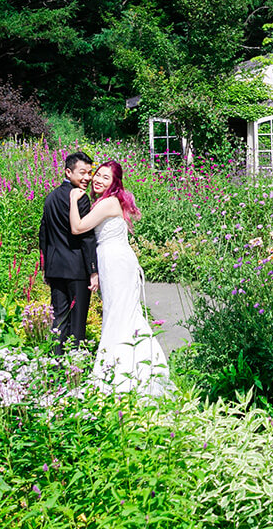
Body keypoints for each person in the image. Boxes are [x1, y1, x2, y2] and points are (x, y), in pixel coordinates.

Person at [69, 159, 170, 395]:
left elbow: (78, 227)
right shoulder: (106, 202)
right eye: (98, 175)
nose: (98, 179)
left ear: (114, 184)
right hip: (112, 261)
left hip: (116, 263)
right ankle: (132, 366)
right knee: (121, 313)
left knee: (118, 315)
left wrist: (74, 200)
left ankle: (115, 371)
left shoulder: (108, 203)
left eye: (106, 177)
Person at [39, 151, 100, 352]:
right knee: (77, 323)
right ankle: (75, 367)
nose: (87, 178)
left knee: (59, 320)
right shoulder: (80, 198)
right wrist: (93, 270)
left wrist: (45, 267)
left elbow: (43, 236)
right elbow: (86, 237)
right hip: (77, 271)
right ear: (68, 172)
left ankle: (55, 364)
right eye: (82, 172)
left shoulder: (50, 197)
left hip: (56, 269)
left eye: (90, 173)